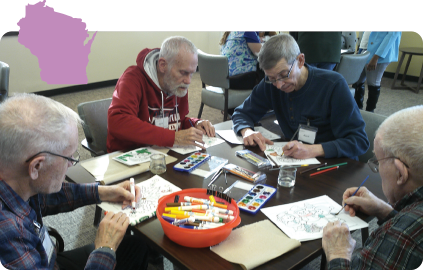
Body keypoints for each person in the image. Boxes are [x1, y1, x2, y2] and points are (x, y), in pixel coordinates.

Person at [0, 93, 149, 270]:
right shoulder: (10, 234)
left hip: (47, 260)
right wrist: (104, 248)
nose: (71, 163)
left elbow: (45, 198)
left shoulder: (14, 178)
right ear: (36, 166)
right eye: (68, 157)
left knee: (136, 245)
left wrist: (104, 192)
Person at [231, 33, 369, 160]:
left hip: (335, 167)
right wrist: (246, 131)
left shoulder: (333, 85)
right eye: (272, 78)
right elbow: (241, 113)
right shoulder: (270, 84)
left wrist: (314, 150)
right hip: (295, 163)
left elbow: (359, 140)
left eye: (284, 75)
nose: (278, 85)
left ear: (300, 60)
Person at [322, 105, 424, 269]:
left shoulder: (402, 236)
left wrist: (338, 254)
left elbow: (408, 235)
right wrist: (385, 211)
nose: (378, 168)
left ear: (400, 173)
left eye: (378, 161)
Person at [107, 36, 215, 153]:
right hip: (129, 154)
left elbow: (176, 121)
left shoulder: (178, 85)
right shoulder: (133, 78)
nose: (188, 81)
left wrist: (194, 124)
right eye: (183, 73)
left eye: (192, 74)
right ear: (163, 65)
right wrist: (174, 137)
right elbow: (117, 122)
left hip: (161, 153)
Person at [353, 31, 402, 112]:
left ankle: (370, 112)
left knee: (373, 83)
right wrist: (359, 48)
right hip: (364, 49)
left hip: (378, 53)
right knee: (357, 80)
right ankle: (357, 109)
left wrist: (376, 57)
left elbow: (392, 36)